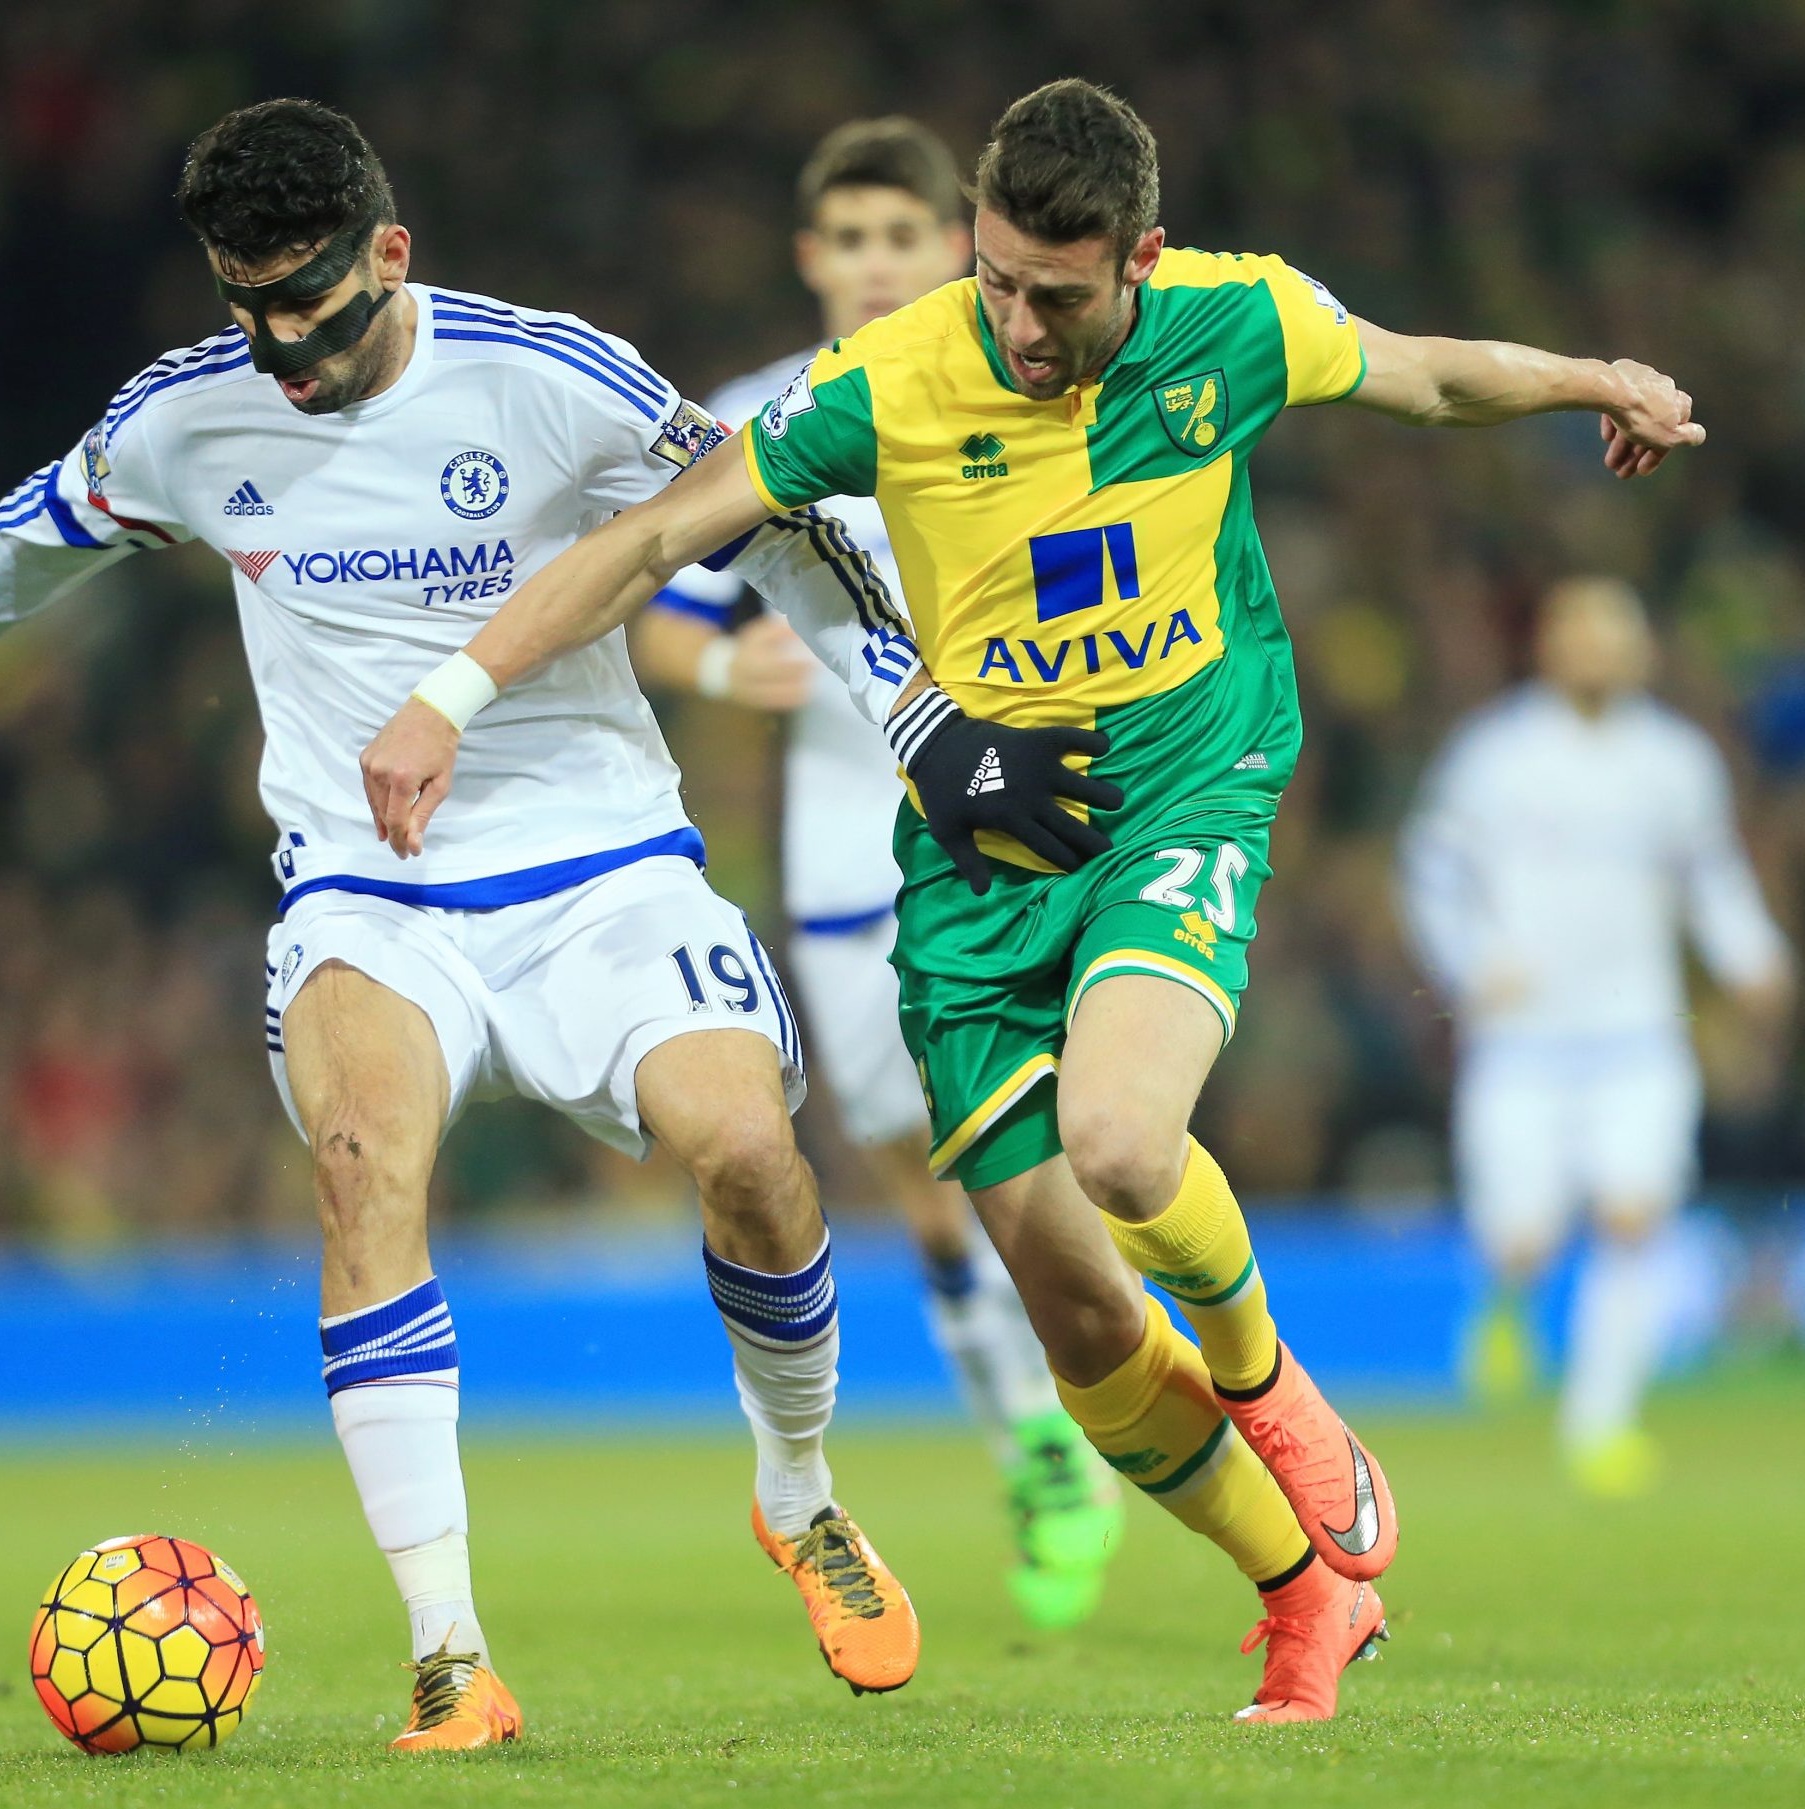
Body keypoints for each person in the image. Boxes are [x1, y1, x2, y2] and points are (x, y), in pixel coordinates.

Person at [362, 78, 1708, 1722]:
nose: (1016, 324)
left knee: (1124, 1141)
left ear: (1140, 257)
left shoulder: (1235, 321)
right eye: (993, 279)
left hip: (1179, 788)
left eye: (1054, 295)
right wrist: (450, 694)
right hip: (981, 856)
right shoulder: (891, 377)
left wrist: (1594, 381)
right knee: (1072, 1312)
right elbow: (651, 543)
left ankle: (1272, 1383)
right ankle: (1303, 1594)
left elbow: (1426, 374)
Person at [0, 99, 1097, 1751]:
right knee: (363, 1162)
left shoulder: (547, 375)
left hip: (605, 864)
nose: (285, 348)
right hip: (365, 887)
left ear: (391, 253)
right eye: (249, 307)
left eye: (314, 304)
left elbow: (770, 521)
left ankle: (799, 1491)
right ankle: (449, 1650)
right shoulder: (188, 416)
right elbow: (22, 543)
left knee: (752, 1156)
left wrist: (925, 726)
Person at [627, 116, 1122, 1631]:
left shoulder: (1034, 376)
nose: (873, 264)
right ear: (810, 258)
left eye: (900, 236)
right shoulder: (750, 416)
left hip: (1035, 805)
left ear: (954, 247)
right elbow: (657, 606)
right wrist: (729, 668)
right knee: (924, 1169)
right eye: (847, 240)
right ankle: (1039, 1443)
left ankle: (1127, 1386)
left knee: (1064, 1137)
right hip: (852, 839)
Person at [1399, 577, 1789, 1496]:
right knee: (1522, 1237)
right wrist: (1469, 963)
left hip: (1639, 1034)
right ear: (1548, 646)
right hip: (1523, 1040)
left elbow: (1710, 875)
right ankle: (1505, 1297)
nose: (1600, 651)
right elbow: (1430, 870)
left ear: (1642, 650)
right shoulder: (1493, 755)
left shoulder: (1677, 761)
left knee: (1634, 1216)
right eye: (1583, 633)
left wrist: (1754, 954)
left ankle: (1601, 1425)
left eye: (1616, 635)